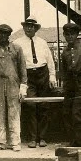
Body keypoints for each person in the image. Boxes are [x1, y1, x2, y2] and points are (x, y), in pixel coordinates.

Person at [0, 24, 28, 152]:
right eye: (1, 33)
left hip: (13, 84)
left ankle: (15, 142)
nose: (3, 36)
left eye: (6, 34)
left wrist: (23, 88)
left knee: (14, 112)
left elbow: (23, 70)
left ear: (9, 35)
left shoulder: (17, 49)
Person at [14, 16, 57, 148]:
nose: (29, 28)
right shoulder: (17, 43)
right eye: (27, 26)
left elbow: (50, 60)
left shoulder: (42, 42)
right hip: (28, 75)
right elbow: (16, 63)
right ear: (24, 27)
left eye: (32, 26)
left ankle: (42, 138)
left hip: (42, 74)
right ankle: (32, 138)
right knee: (31, 105)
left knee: (44, 105)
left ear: (36, 28)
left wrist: (52, 76)